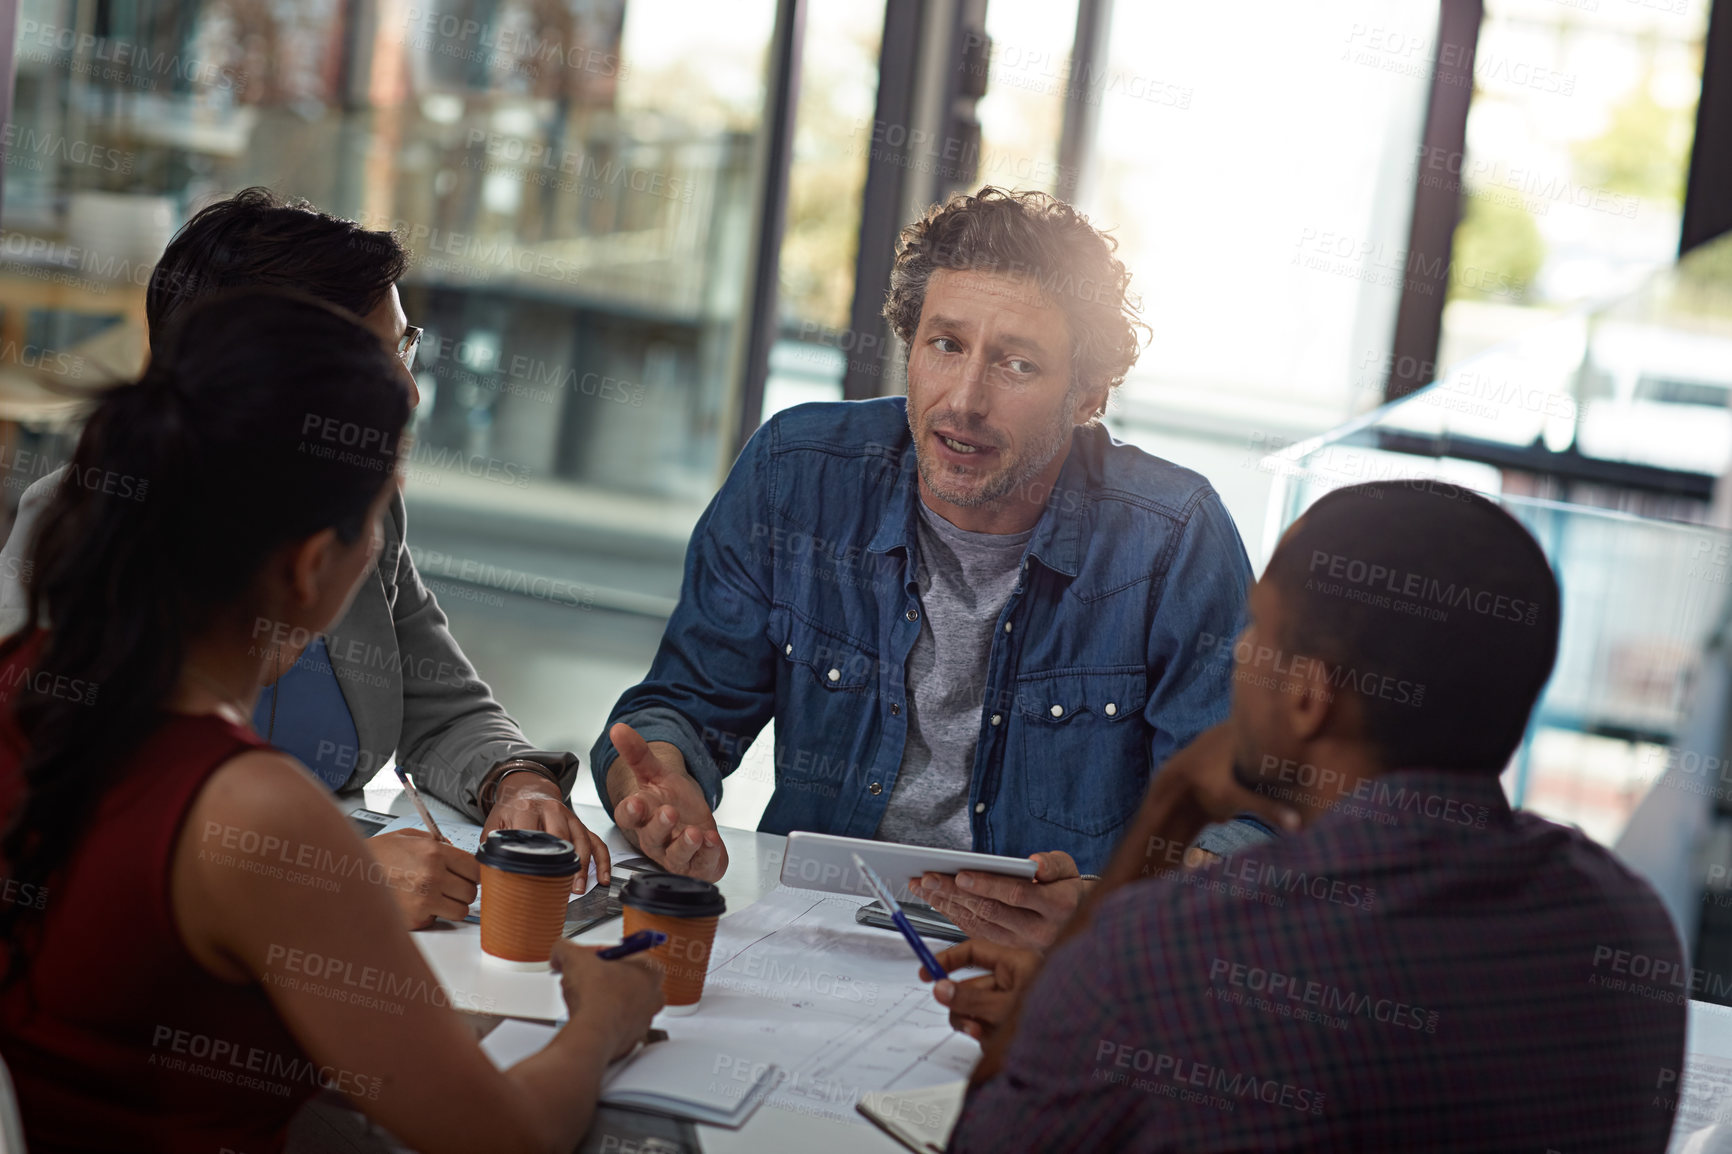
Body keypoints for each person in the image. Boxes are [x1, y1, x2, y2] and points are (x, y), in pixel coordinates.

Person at [0, 291, 662, 1154]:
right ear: (313, 564)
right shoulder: (251, 810)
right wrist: (603, 1022)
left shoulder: (31, 674)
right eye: (377, 523)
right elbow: (501, 1137)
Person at [933, 480, 1686, 1152]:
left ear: (1307, 696)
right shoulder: (1629, 929)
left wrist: (1164, 818)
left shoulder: (1168, 956)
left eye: (1258, 629)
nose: (1237, 654)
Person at [590, 187, 1255, 948]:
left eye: (1016, 363)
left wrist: (1112, 913)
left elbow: (1241, 820)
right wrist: (659, 784)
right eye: (945, 345)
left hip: (1051, 969)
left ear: (1088, 394)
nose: (964, 401)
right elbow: (680, 709)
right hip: (811, 934)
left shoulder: (1173, 539)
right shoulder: (797, 473)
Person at [0, 188, 609, 929]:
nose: (410, 395)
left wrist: (516, 782)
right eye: (376, 360)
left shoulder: (355, 520)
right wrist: (327, 879)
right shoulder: (86, 528)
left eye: (405, 346)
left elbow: (440, 701)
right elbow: (71, 823)